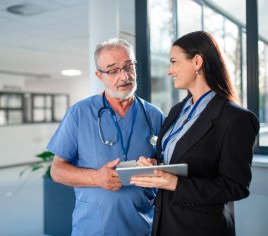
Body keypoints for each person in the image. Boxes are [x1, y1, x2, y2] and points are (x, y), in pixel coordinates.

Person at [130, 31, 260, 236]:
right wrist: (156, 165)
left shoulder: (236, 119)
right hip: (164, 224)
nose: (169, 71)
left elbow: (235, 187)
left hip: (201, 228)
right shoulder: (176, 111)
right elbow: (174, 157)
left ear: (197, 61)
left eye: (174, 62)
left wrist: (176, 184)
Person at [47, 38, 165, 236]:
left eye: (129, 67)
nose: (124, 76)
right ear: (99, 76)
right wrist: (96, 178)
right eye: (112, 70)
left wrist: (155, 166)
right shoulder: (80, 114)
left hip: (143, 226)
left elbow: (167, 165)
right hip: (93, 227)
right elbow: (57, 171)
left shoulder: (154, 115)